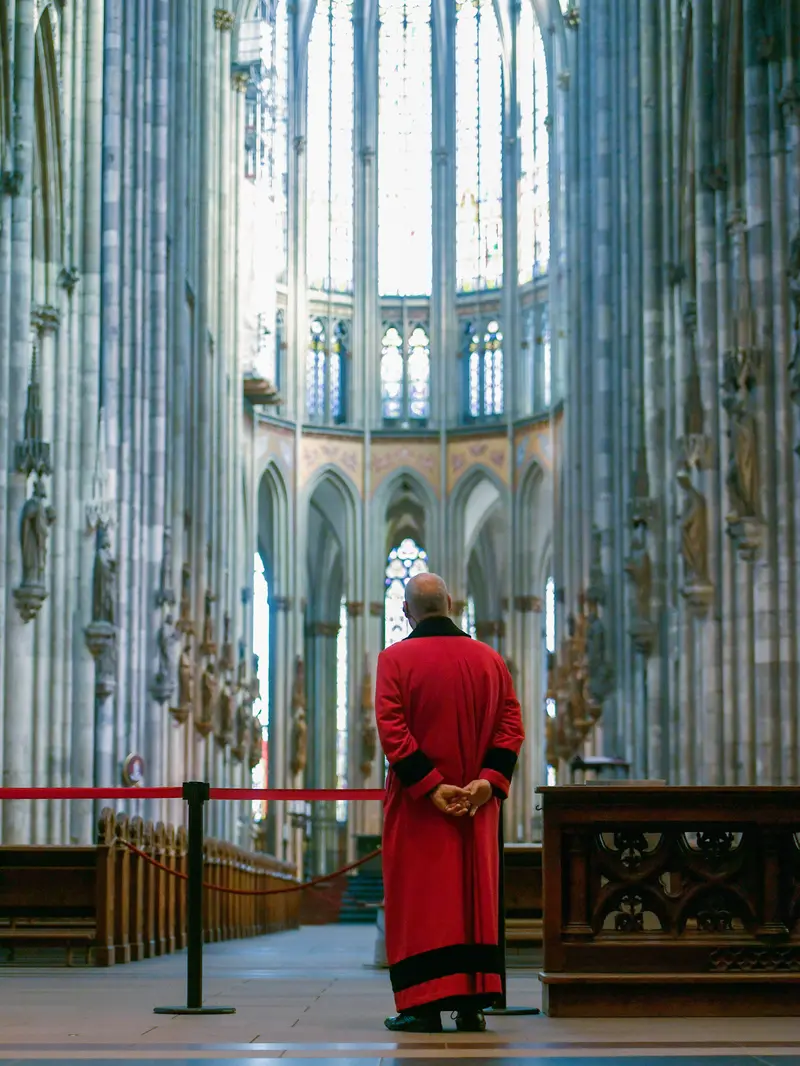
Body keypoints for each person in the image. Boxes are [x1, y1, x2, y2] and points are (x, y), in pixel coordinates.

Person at [375, 573, 525, 1034]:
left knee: (421, 902)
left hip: (420, 808)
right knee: (472, 900)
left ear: (406, 612)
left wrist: (432, 786)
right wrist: (486, 784)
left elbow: (392, 729)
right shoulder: (491, 660)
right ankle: (472, 1006)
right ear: (452, 603)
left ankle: (422, 1007)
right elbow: (510, 726)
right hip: (476, 810)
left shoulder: (394, 660)